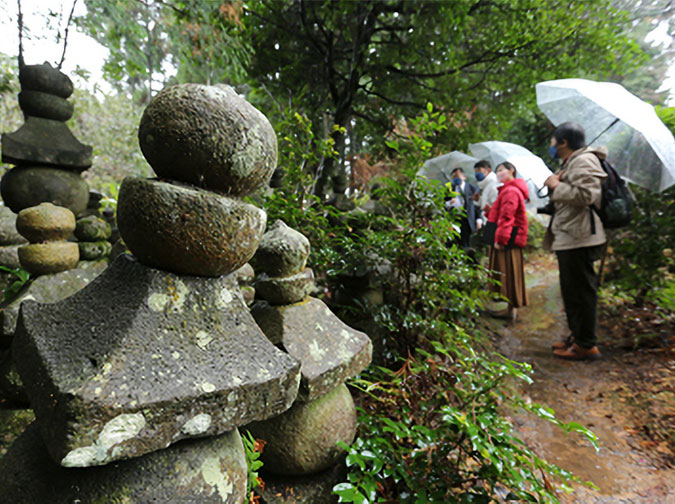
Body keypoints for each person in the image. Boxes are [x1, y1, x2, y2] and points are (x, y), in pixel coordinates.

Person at [543, 121, 606, 361]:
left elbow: (586, 195)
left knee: (581, 292)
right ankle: (577, 337)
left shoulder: (584, 160)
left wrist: (557, 185)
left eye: (552, 140)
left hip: (580, 237)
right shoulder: (574, 161)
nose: (551, 145)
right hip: (572, 234)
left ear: (563, 142)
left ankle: (586, 344)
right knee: (572, 291)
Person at [486, 162, 529, 322]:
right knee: (511, 272)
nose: (498, 174)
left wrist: (501, 239)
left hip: (508, 238)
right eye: (497, 171)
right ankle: (511, 310)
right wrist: (489, 212)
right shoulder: (508, 190)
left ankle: (512, 311)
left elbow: (507, 217)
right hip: (511, 237)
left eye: (501, 170)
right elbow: (502, 213)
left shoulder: (510, 191)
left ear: (511, 171)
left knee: (509, 272)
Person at [446, 167, 482, 248]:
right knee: (453, 242)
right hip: (454, 220)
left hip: (468, 220)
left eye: (457, 177)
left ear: (464, 177)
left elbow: (478, 205)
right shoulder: (450, 189)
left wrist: (479, 219)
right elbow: (443, 204)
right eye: (453, 177)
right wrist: (449, 203)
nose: (455, 179)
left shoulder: (473, 188)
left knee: (467, 244)